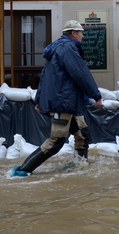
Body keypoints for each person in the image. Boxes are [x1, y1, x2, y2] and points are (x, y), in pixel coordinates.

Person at [12, 20, 103, 176]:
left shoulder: (59, 49)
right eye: (81, 32)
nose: (82, 36)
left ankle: (79, 165)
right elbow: (80, 74)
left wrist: (40, 98)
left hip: (71, 103)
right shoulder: (67, 48)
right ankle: (22, 170)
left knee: (82, 135)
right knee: (56, 141)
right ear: (73, 33)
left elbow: (46, 76)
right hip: (64, 103)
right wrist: (96, 95)